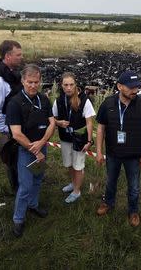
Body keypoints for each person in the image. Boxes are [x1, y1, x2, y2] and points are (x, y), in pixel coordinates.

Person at [95, 70, 141, 227]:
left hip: (134, 156)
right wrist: (99, 152)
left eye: (137, 87)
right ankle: (108, 203)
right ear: (119, 86)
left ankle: (133, 211)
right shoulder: (107, 104)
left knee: (134, 186)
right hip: (113, 154)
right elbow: (100, 128)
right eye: (131, 87)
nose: (135, 90)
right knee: (110, 181)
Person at [5, 64, 56, 237]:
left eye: (36, 82)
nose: (33, 85)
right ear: (22, 81)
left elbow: (52, 123)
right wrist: (35, 150)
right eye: (29, 82)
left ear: (40, 81)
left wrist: (42, 142)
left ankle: (33, 206)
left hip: (42, 147)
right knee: (25, 186)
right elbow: (17, 134)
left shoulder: (44, 99)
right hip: (25, 150)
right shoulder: (15, 103)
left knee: (38, 178)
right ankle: (18, 219)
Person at [52, 72, 96, 203]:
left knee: (78, 166)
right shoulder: (59, 100)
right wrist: (58, 123)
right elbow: (52, 118)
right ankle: (73, 183)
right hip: (65, 137)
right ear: (61, 85)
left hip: (79, 140)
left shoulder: (84, 100)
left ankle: (77, 191)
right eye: (66, 85)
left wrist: (89, 140)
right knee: (69, 164)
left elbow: (89, 122)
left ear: (75, 85)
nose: (69, 88)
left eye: (71, 84)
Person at [0, 40, 23, 192]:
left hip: (21, 128)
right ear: (8, 56)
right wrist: (8, 131)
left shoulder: (14, 76)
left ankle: (24, 185)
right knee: (14, 163)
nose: (22, 57)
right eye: (18, 55)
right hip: (11, 131)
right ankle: (18, 191)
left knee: (22, 161)